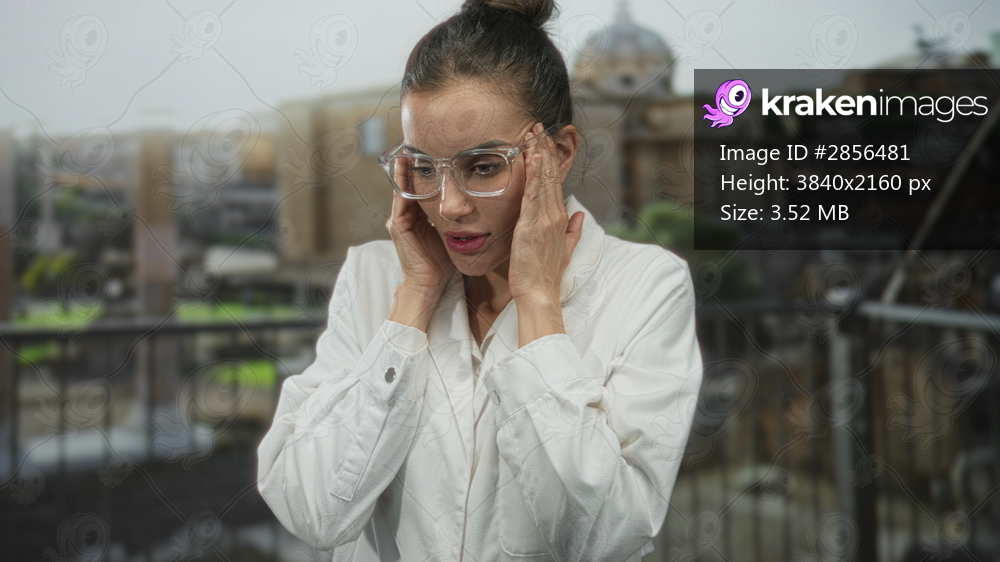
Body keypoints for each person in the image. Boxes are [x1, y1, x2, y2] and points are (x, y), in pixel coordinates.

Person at [256, 0, 704, 560]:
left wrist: (538, 307)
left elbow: (606, 536)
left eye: (484, 167)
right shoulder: (373, 278)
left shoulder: (647, 286)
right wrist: (413, 302)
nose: (449, 206)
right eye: (424, 167)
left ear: (559, 153)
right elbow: (313, 512)